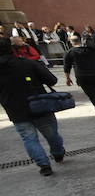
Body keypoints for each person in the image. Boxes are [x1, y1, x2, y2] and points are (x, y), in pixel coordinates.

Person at [0, 38, 66, 176]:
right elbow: (52, 80)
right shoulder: (27, 63)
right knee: (51, 134)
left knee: (28, 138)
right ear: (12, 49)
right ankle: (58, 153)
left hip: (15, 110)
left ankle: (44, 165)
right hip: (39, 104)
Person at [63, 33, 95, 119]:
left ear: (71, 42)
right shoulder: (92, 49)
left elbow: (66, 67)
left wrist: (68, 78)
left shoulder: (69, 52)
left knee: (92, 95)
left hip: (82, 77)